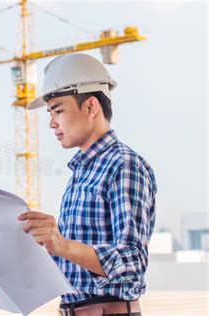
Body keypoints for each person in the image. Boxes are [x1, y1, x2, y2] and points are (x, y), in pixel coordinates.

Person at [17, 53, 157, 316]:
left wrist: (62, 245)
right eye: (50, 113)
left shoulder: (123, 165)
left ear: (91, 107)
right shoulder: (81, 172)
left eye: (58, 110)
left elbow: (133, 262)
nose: (51, 123)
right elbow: (75, 264)